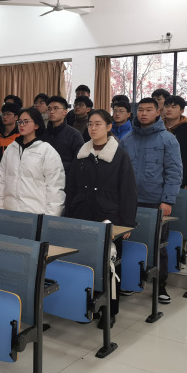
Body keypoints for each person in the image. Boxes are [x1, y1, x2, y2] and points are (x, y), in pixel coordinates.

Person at [66, 109, 137, 328]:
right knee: (85, 263)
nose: (93, 128)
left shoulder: (119, 155)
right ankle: (88, 306)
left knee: (110, 265)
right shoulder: (82, 154)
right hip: (83, 216)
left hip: (109, 218)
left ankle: (110, 311)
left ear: (108, 127)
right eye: (90, 124)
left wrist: (126, 223)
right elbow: (71, 188)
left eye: (98, 124)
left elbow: (128, 191)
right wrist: (69, 215)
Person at [120, 97, 182, 304]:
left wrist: (167, 200)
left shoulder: (168, 139)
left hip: (155, 201)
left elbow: (174, 172)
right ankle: (131, 281)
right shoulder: (127, 139)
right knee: (130, 242)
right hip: (130, 201)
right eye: (140, 110)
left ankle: (160, 285)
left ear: (157, 112)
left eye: (148, 110)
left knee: (157, 245)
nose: (144, 113)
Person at [0, 107, 66, 216]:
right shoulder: (11, 149)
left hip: (35, 214)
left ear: (36, 125)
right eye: (20, 122)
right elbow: (1, 181)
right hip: (9, 211)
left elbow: (55, 188)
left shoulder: (46, 151)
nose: (21, 125)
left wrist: (50, 218)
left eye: (26, 121)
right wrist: (1, 207)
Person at [41, 96, 84, 203]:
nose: (52, 112)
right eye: (49, 109)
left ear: (65, 112)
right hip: (42, 184)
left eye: (56, 108)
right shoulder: (42, 134)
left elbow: (79, 163)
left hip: (65, 184)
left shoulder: (74, 134)